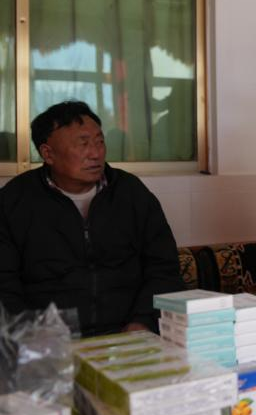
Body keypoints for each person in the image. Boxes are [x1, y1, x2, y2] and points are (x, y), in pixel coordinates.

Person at [0, 101, 183, 336]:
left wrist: (143, 321)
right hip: (47, 341)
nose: (96, 154)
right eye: (83, 144)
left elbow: (164, 268)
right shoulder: (14, 201)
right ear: (48, 154)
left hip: (130, 334)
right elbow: (4, 284)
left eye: (100, 142)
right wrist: (32, 336)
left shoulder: (131, 193)